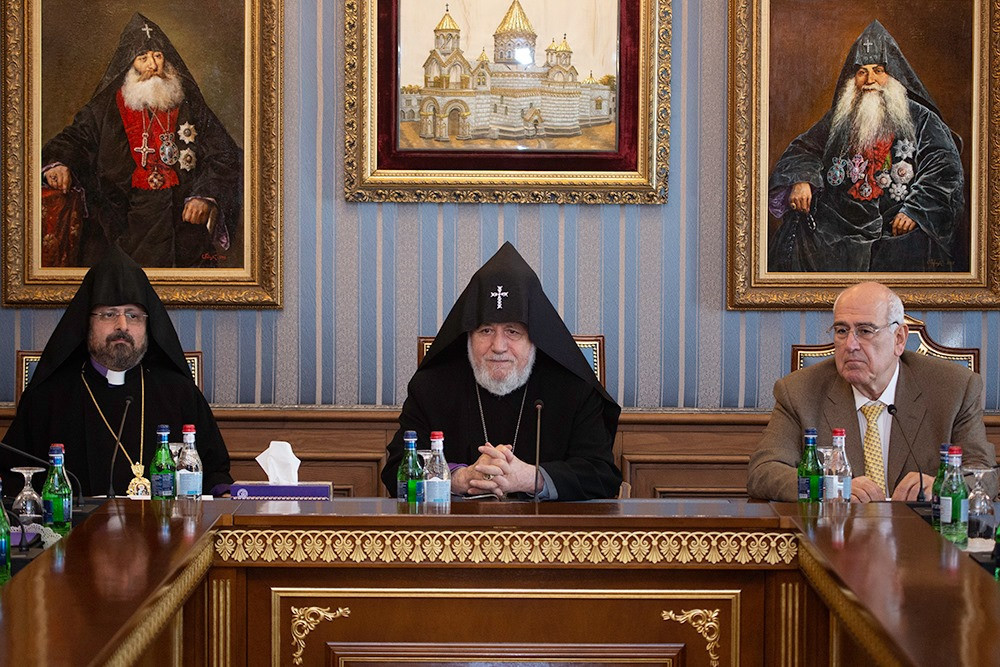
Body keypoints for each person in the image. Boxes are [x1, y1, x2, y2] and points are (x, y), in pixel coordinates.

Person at [380, 242, 622, 501]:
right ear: (468, 336)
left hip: (546, 526)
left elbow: (602, 476)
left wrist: (532, 478)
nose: (498, 346)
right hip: (456, 525)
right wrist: (458, 478)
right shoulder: (432, 386)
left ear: (535, 338)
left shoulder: (573, 388)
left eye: (513, 331)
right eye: (486, 330)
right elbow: (396, 471)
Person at [2, 246, 233, 497]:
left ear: (148, 325)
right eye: (109, 314)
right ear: (87, 323)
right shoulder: (47, 398)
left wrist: (223, 493)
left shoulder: (179, 393)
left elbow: (215, 474)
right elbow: (14, 480)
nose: (122, 325)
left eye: (133, 315)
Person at [747, 282, 993, 502]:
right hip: (836, 533)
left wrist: (941, 487)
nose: (850, 345)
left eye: (865, 331)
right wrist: (828, 488)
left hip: (920, 535)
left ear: (899, 339)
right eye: (841, 331)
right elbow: (763, 472)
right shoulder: (799, 391)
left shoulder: (954, 388)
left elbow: (984, 474)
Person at [42, 12, 242, 268]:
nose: (152, 66)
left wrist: (204, 195)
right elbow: (75, 138)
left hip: (181, 223)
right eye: (142, 58)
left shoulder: (188, 102)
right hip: (121, 220)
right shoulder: (106, 106)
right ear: (129, 64)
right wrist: (59, 163)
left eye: (158, 56)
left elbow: (224, 153)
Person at [767, 20, 964, 272]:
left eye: (878, 70)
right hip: (841, 220)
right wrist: (801, 179)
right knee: (798, 232)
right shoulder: (842, 116)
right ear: (854, 78)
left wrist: (915, 210)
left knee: (913, 246)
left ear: (892, 76)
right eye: (862, 72)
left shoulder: (921, 118)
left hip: (893, 218)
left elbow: (944, 167)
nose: (870, 80)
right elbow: (804, 148)